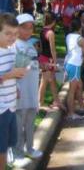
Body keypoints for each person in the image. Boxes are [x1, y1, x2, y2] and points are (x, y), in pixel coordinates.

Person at [13, 14, 43, 162]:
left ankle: (29, 148)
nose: (28, 31)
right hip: (20, 91)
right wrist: (15, 87)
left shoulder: (30, 44)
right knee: (19, 123)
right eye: (24, 28)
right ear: (17, 28)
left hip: (31, 90)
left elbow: (32, 64)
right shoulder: (14, 45)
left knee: (30, 120)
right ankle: (17, 153)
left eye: (30, 28)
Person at [0, 13, 27, 170]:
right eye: (8, 33)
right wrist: (12, 74)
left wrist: (15, 85)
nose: (12, 38)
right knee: (1, 149)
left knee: (9, 143)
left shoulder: (11, 51)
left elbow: (11, 75)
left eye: (15, 34)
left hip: (11, 105)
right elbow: (7, 74)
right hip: (1, 109)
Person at [64, 18, 84, 120]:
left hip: (71, 64)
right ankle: (71, 113)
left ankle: (82, 107)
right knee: (72, 90)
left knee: (79, 85)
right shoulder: (81, 40)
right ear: (80, 27)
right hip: (75, 65)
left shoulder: (69, 36)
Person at [38, 12, 64, 110]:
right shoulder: (50, 33)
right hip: (48, 59)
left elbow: (41, 47)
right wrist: (55, 62)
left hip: (43, 57)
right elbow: (52, 49)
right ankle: (40, 102)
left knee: (51, 81)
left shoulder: (42, 31)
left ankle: (56, 101)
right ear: (53, 21)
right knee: (45, 81)